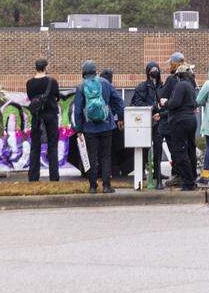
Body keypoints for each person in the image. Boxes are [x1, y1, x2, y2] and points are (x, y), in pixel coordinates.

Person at [71, 60, 125, 193]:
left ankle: (93, 186)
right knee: (106, 155)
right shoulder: (105, 83)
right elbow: (119, 101)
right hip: (106, 126)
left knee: (92, 156)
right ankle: (106, 186)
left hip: (89, 128)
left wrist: (78, 129)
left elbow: (78, 110)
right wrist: (120, 118)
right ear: (95, 71)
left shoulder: (81, 87)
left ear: (83, 73)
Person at [161, 53, 198, 187]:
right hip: (191, 119)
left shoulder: (177, 82)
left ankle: (185, 180)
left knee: (179, 151)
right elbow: (196, 102)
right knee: (190, 149)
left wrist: (165, 103)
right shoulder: (191, 82)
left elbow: (174, 102)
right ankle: (192, 177)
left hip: (179, 120)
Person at [25, 59, 61, 182]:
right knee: (52, 146)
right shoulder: (52, 81)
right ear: (46, 67)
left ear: (36, 67)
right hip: (50, 116)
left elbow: (30, 98)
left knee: (35, 146)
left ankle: (33, 177)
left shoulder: (29, 83)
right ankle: (54, 177)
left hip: (36, 117)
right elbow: (57, 96)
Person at [131, 61, 165, 189]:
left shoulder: (162, 86)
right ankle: (142, 172)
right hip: (146, 122)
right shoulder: (142, 87)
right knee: (144, 148)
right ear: (148, 72)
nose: (155, 71)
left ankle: (157, 173)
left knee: (158, 148)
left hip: (159, 122)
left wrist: (161, 112)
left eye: (157, 69)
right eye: (152, 69)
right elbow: (137, 103)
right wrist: (152, 108)